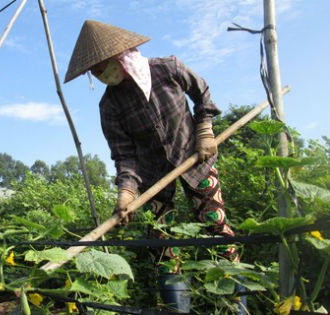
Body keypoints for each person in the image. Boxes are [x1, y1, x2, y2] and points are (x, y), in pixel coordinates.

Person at [64, 20, 240, 312]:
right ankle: (177, 310)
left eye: (100, 67)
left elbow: (202, 91)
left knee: (217, 228)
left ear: (120, 56)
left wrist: (205, 128)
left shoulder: (167, 68)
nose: (98, 74)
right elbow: (125, 156)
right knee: (163, 247)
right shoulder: (109, 106)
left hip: (196, 159)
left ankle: (236, 307)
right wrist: (126, 193)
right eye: (93, 72)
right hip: (153, 178)